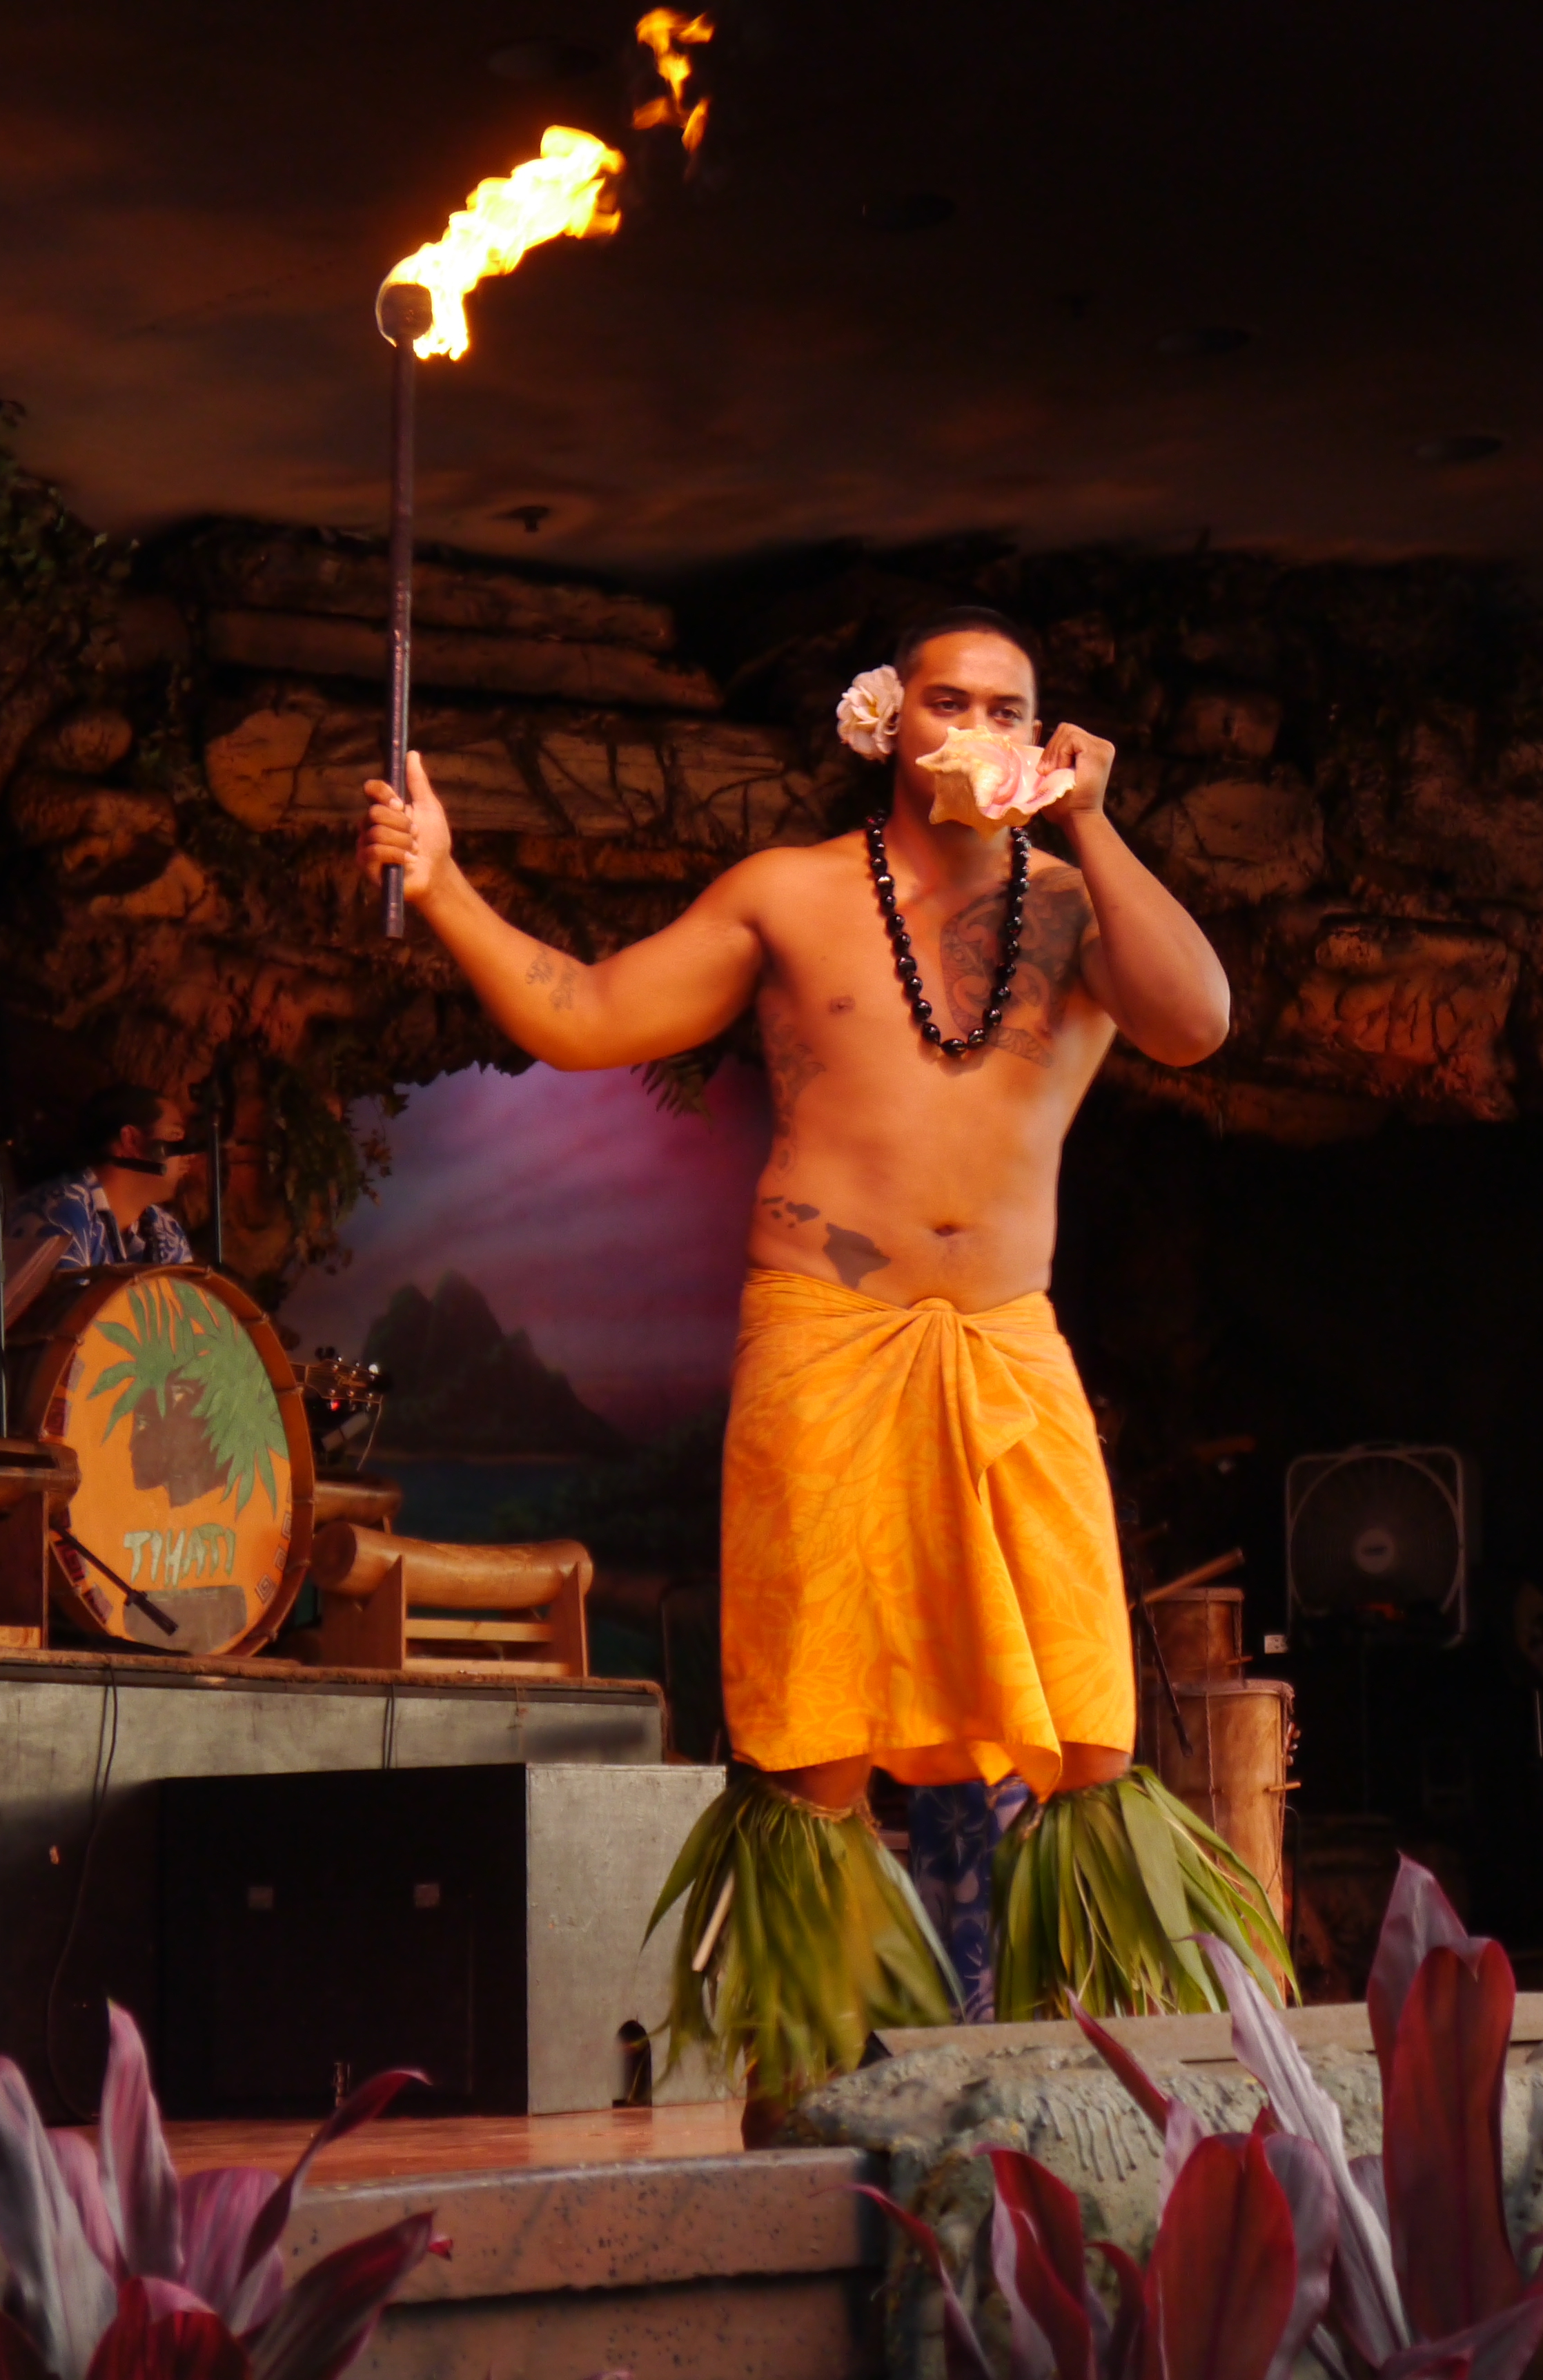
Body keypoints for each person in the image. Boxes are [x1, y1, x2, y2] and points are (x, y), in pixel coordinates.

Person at [357, 606, 1289, 2114]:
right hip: (827, 1333)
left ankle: (1078, 2077)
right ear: (884, 722)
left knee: (1081, 1719)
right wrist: (448, 883)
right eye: (947, 701)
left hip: (1003, 1340)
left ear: (1043, 738)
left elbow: (1199, 1020)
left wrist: (1097, 829)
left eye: (1008, 707)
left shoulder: (1080, 915)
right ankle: (817, 2074)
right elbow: (587, 1012)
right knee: (816, 1720)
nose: (977, 727)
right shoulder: (791, 896)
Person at [10, 1085, 199, 1269]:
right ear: (131, 1140)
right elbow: (70, 1302)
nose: (189, 1155)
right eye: (175, 1135)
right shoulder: (60, 1211)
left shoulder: (166, 1229)